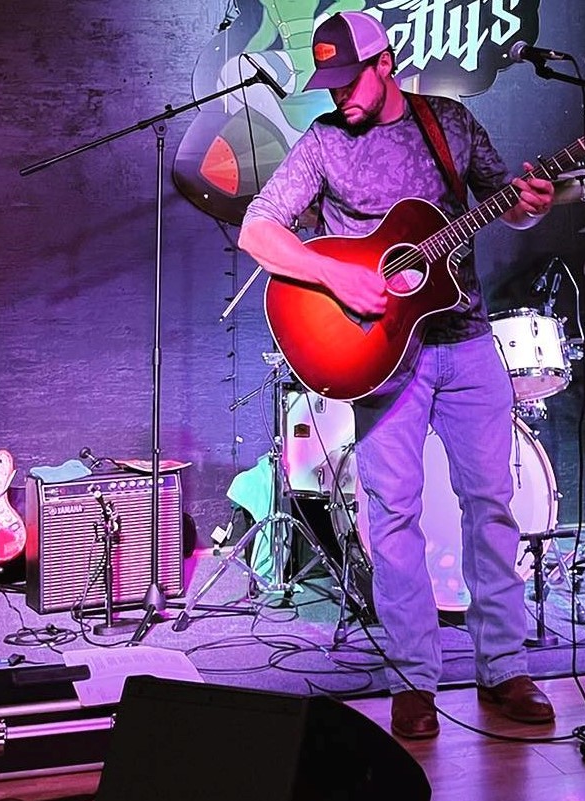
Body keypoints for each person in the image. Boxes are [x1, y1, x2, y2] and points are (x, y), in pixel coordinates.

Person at [238, 11, 556, 739]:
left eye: (346, 80)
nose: (337, 95)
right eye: (327, 82)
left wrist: (531, 207)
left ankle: (503, 668)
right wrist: (336, 278)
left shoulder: (447, 123)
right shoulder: (322, 141)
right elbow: (259, 229)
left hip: (468, 341)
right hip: (381, 357)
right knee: (393, 518)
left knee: (492, 505)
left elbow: (508, 205)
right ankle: (413, 678)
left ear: (383, 63)